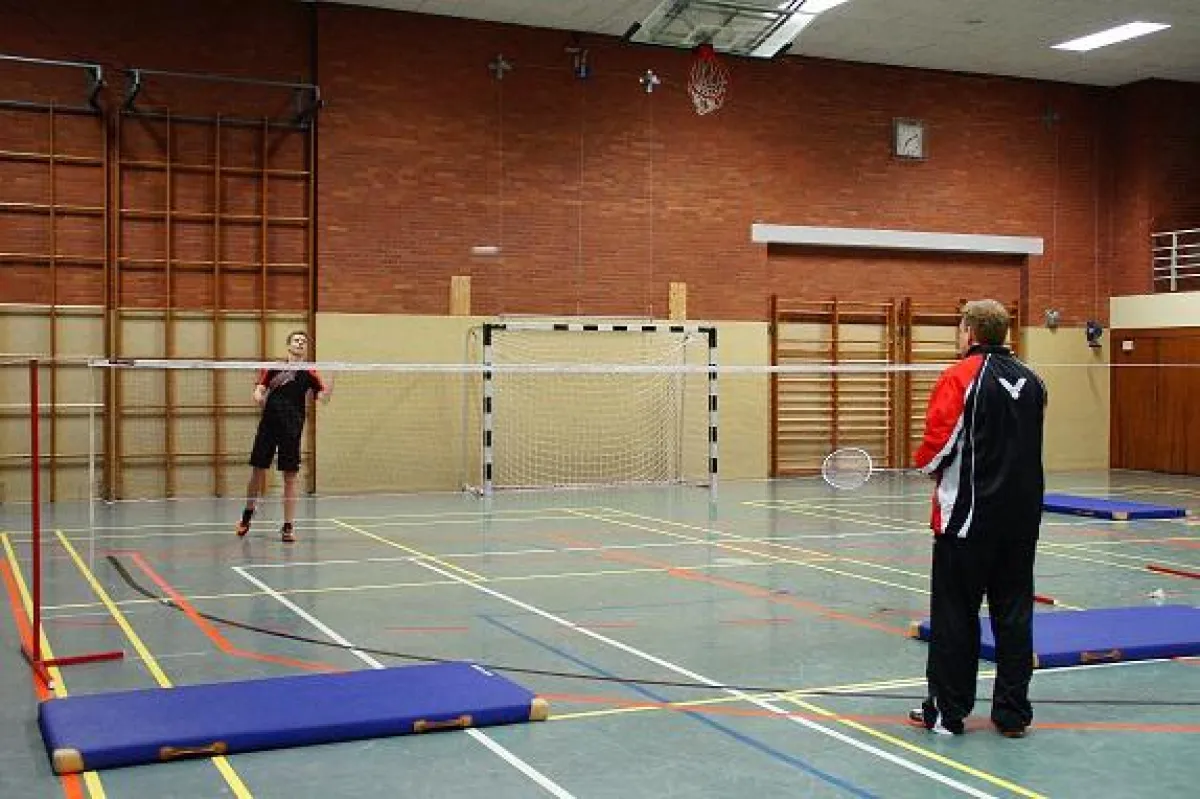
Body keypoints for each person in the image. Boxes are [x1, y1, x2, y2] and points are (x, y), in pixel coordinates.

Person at [910, 299, 1047, 738]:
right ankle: (1012, 715)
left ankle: (948, 714)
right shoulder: (1034, 381)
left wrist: (925, 468)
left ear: (968, 331)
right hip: (1021, 521)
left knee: (955, 617)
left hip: (966, 523)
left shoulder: (959, 376)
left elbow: (939, 442)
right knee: (1014, 616)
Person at [235, 330, 330, 543]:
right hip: (268, 426)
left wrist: (329, 390)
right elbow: (259, 389)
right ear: (289, 345)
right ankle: (247, 514)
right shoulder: (274, 367)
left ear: (306, 348)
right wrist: (258, 396)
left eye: (303, 341)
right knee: (257, 471)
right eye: (296, 340)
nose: (300, 343)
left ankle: (288, 526)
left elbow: (322, 397)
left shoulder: (310, 372)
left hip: (292, 429)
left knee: (290, 478)